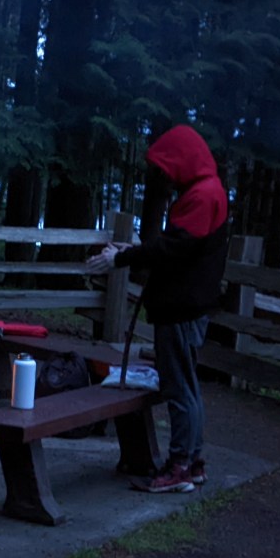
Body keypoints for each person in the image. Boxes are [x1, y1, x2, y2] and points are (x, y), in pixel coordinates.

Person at [87, 124, 229, 493]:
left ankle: (180, 465)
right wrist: (131, 252)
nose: (164, 176)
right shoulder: (205, 191)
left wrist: (121, 258)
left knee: (179, 388)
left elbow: (172, 249)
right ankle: (193, 462)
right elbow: (177, 248)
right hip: (186, 307)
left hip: (181, 309)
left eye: (166, 167)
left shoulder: (202, 196)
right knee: (188, 386)